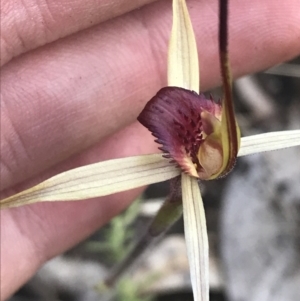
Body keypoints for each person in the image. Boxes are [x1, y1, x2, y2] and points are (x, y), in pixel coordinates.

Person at [1, 0, 299, 299]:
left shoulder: (211, 152)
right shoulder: (200, 139)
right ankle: (108, 283)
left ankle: (109, 284)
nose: (212, 124)